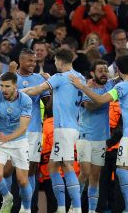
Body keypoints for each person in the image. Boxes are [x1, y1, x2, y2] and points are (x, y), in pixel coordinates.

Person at [69, 54, 128, 213]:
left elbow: (100, 100)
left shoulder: (122, 87)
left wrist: (82, 86)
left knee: (122, 170)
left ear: (117, 70)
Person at [21, 47, 85, 213]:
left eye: (55, 60)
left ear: (60, 61)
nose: (54, 63)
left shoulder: (60, 77)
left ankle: (76, 207)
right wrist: (52, 82)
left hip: (63, 128)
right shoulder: (80, 77)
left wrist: (16, 92)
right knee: (52, 166)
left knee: (67, 165)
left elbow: (35, 90)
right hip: (73, 126)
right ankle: (62, 207)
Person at [0, 71, 33, 213]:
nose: (3, 89)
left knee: (23, 181)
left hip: (19, 141)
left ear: (15, 86)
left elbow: (23, 128)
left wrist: (8, 138)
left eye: (7, 86)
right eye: (1, 86)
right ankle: (7, 197)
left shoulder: (26, 100)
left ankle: (26, 208)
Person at [9, 48, 50, 211]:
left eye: (35, 61)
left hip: (33, 130)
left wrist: (52, 87)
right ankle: (14, 206)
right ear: (20, 61)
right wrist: (11, 76)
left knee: (31, 170)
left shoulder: (39, 79)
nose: (33, 64)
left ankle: (30, 207)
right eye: (30, 61)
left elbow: (48, 106)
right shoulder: (8, 77)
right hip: (12, 130)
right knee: (11, 170)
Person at [76, 59, 115, 213]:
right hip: (85, 135)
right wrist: (104, 100)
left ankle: (92, 210)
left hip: (101, 137)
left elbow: (124, 73)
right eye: (100, 70)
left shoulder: (110, 85)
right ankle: (75, 206)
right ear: (92, 73)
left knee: (96, 176)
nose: (104, 73)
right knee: (85, 172)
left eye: (106, 70)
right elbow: (90, 106)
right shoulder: (84, 87)